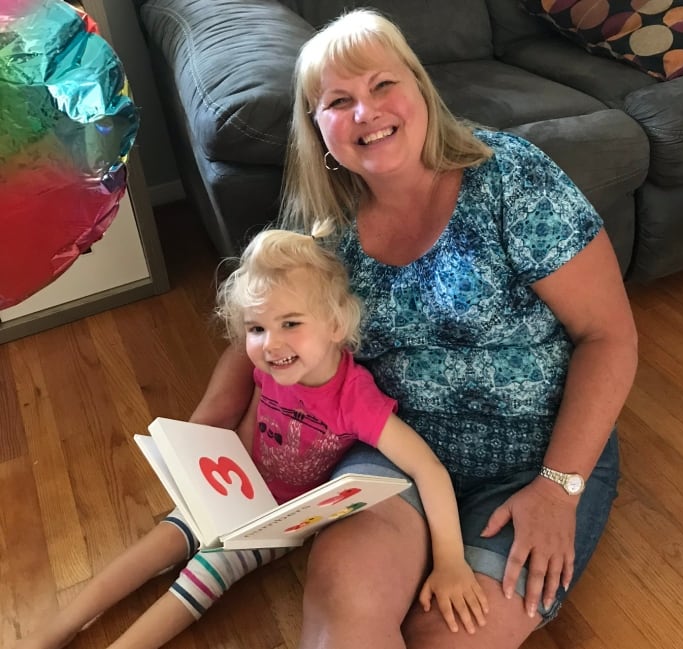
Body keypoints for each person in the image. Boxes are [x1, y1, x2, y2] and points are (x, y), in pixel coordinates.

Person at [180, 8, 638, 649]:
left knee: (447, 637)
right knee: (344, 623)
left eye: (382, 85)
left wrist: (559, 492)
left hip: (536, 459)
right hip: (390, 447)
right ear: (317, 129)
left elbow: (610, 336)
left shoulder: (511, 179)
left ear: (420, 87)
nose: (365, 112)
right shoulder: (328, 224)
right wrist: (201, 440)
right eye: (338, 101)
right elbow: (259, 327)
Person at [16, 228, 488, 649]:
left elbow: (427, 467)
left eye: (290, 324)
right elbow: (240, 421)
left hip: (274, 522)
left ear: (336, 325)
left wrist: (450, 560)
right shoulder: (273, 368)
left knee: (201, 580)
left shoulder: (354, 399)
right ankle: (57, 629)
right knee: (154, 546)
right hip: (229, 485)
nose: (271, 344)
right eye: (257, 328)